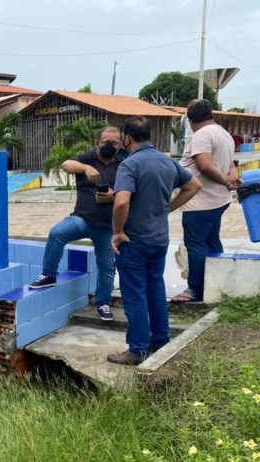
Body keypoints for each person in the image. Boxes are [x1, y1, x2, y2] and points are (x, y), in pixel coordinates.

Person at [107, 116, 202, 365]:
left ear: (126, 138)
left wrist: (118, 232)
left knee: (135, 295)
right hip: (159, 240)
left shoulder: (130, 165)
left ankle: (137, 349)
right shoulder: (167, 162)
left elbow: (122, 202)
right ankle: (161, 342)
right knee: (156, 291)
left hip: (134, 241)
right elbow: (194, 186)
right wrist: (168, 208)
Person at [28, 127, 123, 321]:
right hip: (82, 219)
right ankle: (49, 275)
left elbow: (133, 192)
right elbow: (66, 164)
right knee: (57, 233)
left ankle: (103, 303)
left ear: (120, 145)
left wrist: (114, 195)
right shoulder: (87, 158)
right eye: (105, 142)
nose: (109, 146)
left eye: (114, 143)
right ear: (97, 143)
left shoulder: (125, 165)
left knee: (106, 266)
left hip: (107, 226)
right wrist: (86, 168)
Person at [172, 99, 242, 304]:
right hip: (218, 200)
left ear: (191, 120)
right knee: (211, 242)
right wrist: (229, 179)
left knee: (195, 244)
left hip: (200, 201)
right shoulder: (223, 133)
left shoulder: (202, 135)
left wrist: (226, 182)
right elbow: (230, 165)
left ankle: (195, 289)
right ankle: (216, 283)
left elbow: (204, 166)